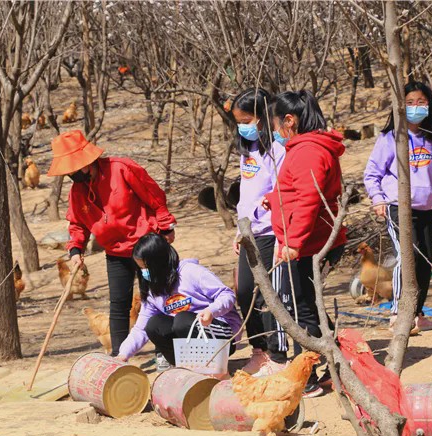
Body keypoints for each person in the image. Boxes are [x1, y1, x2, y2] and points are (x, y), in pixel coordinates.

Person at [47, 130, 177, 355]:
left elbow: (155, 198)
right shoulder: (77, 192)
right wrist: (75, 248)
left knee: (156, 298)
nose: (71, 174)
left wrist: (165, 225)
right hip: (115, 252)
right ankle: (119, 355)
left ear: (87, 161)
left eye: (73, 168)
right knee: (119, 304)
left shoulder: (122, 169)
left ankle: (165, 352)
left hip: (145, 247)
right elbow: (77, 223)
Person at [258, 90, 347, 397]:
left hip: (310, 243)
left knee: (303, 311)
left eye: (276, 125)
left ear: (290, 121)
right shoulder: (304, 148)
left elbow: (309, 200)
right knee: (307, 307)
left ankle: (309, 373)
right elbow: (296, 190)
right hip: (306, 240)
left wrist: (293, 242)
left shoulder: (309, 150)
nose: (275, 132)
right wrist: (273, 200)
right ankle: (337, 365)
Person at [363, 81, 432, 332]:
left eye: (421, 102)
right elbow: (372, 174)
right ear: (400, 106)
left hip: (427, 209)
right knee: (407, 257)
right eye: (410, 102)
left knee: (424, 261)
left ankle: (417, 313)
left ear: (430, 104)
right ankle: (398, 314)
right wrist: (378, 199)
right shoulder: (391, 138)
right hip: (397, 209)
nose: (416, 107)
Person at [117, 233, 242, 371]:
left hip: (223, 337)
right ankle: (185, 367)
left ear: (158, 262)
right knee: (154, 325)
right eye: (141, 268)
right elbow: (141, 328)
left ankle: (211, 366)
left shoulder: (191, 272)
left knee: (182, 320)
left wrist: (211, 311)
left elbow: (226, 295)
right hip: (187, 336)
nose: (144, 272)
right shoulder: (153, 289)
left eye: (146, 267)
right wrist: (123, 355)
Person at [230, 88, 289, 374]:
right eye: (238, 121)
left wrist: (261, 220)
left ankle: (278, 354)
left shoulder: (278, 151)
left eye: (246, 120)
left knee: (267, 294)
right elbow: (246, 192)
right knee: (243, 291)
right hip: (247, 232)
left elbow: (279, 193)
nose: (242, 126)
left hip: (268, 231)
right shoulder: (247, 151)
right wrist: (239, 228)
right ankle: (259, 349)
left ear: (262, 118)